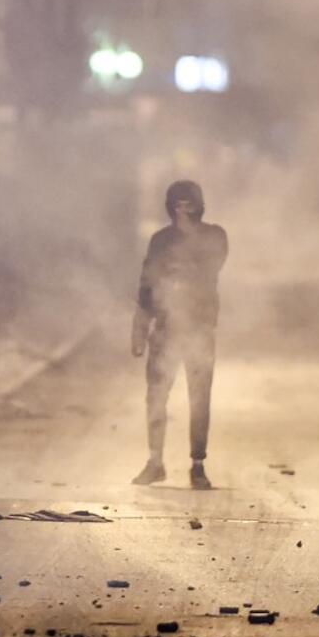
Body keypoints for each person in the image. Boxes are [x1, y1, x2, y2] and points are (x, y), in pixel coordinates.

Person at [130, 180, 228, 490]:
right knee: (156, 396)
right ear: (170, 207)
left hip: (199, 329)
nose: (183, 210)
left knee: (199, 398)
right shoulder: (160, 240)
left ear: (199, 205)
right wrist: (139, 329)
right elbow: (147, 284)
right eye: (177, 204)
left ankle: (197, 464)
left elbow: (209, 269)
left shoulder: (214, 236)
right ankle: (155, 461)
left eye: (189, 204)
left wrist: (176, 271)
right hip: (166, 329)